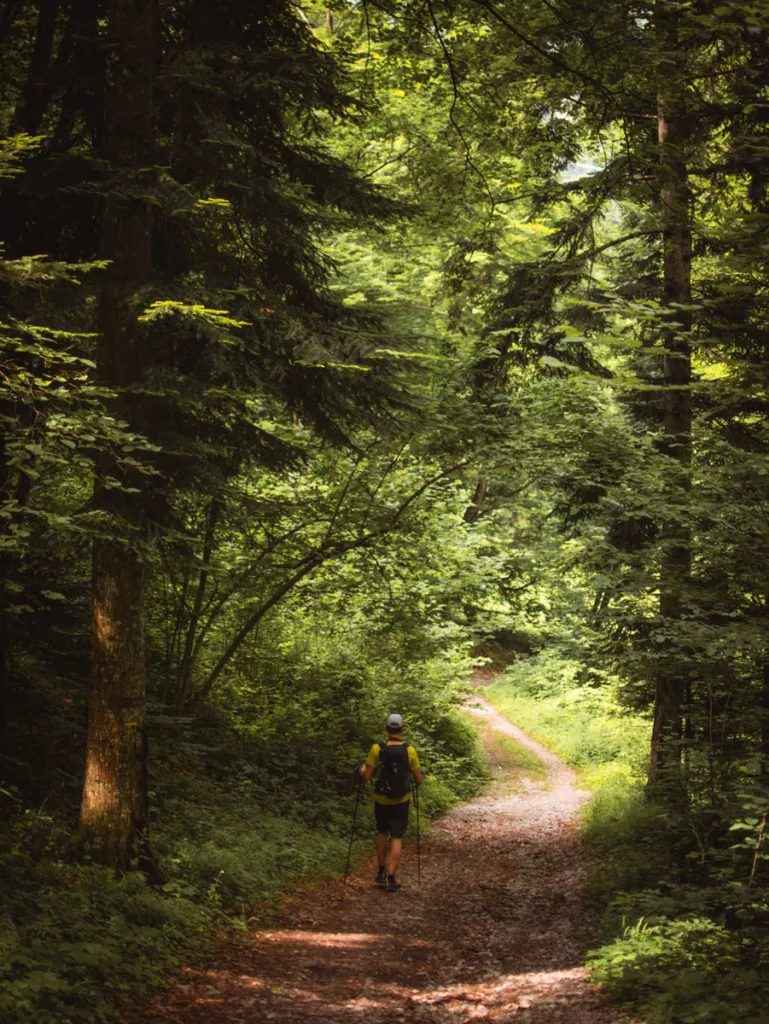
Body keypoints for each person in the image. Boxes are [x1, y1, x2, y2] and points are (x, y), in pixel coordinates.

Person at [359, 713, 423, 892]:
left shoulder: (376, 749)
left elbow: (367, 776)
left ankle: (380, 872)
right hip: (401, 800)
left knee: (381, 832)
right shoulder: (409, 750)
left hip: (382, 799)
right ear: (402, 730)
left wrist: (361, 770)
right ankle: (391, 877)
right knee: (396, 837)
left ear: (386, 729)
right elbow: (419, 779)